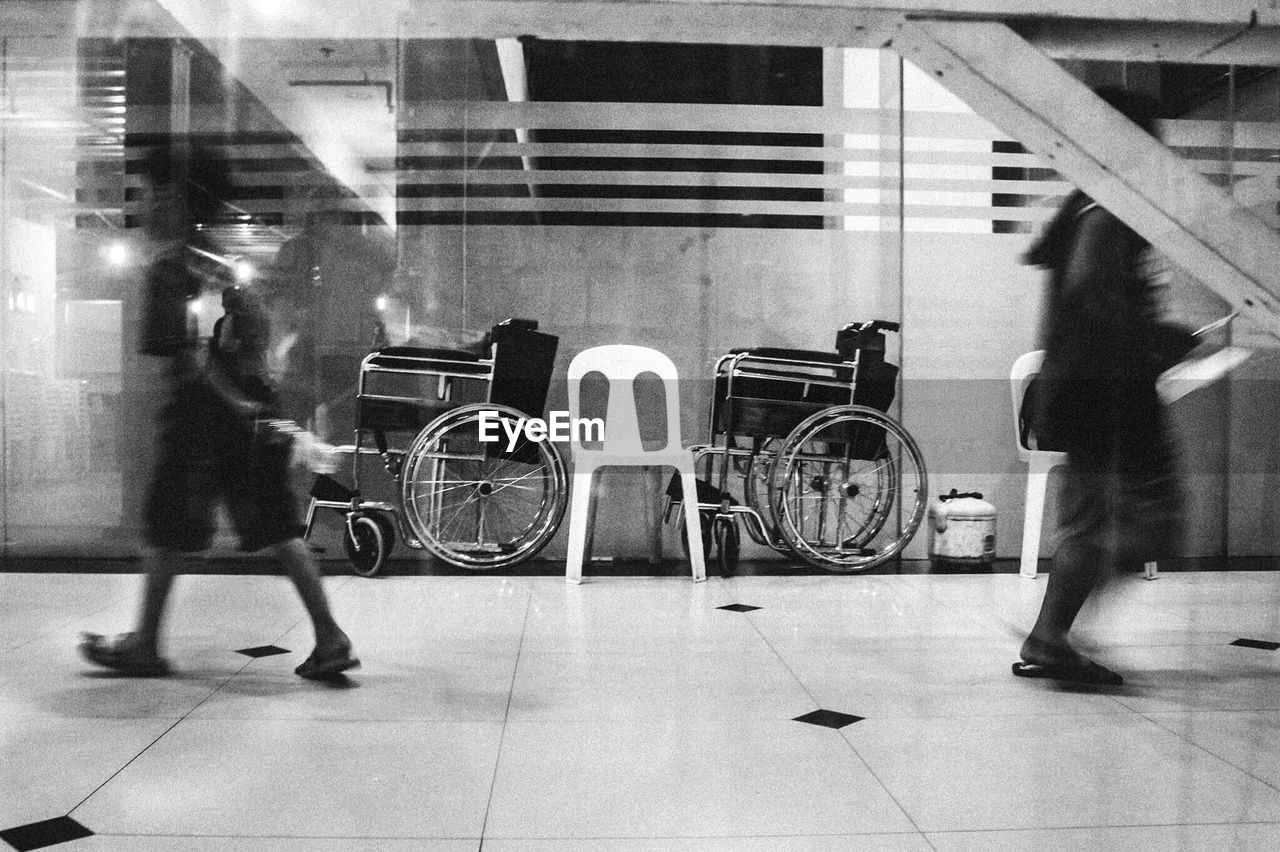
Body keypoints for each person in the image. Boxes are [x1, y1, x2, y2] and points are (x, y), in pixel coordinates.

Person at [80, 144, 358, 681]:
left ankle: (145, 644)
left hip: (202, 420)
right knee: (274, 526)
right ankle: (329, 636)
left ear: (179, 198)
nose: (147, 204)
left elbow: (185, 358)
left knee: (169, 527)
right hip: (240, 413)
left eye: (155, 193)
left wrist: (233, 406)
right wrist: (253, 407)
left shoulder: (173, 265)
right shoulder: (216, 262)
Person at [1015, 87, 1195, 687]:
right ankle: (1051, 636)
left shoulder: (1089, 206)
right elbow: (1092, 292)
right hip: (1108, 394)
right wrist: (1156, 338)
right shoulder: (1107, 210)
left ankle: (1050, 637)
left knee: (1092, 521)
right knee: (1152, 521)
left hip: (1086, 392)